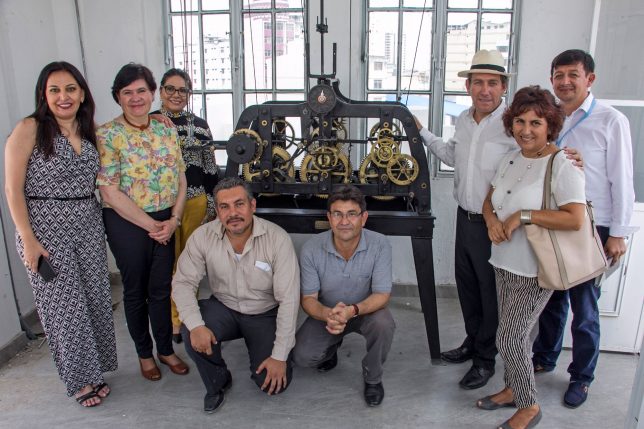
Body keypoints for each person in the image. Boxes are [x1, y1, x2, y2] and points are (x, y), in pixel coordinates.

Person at [4, 61, 117, 407]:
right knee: (64, 308)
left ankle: (94, 371)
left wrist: (159, 118)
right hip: (45, 229)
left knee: (94, 299)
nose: (63, 96)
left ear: (82, 94)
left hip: (87, 224)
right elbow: (12, 189)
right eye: (54, 90)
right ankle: (80, 381)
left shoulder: (88, 128)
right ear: (44, 94)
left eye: (70, 89)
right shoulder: (30, 128)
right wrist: (28, 239)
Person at [531, 49, 635, 408]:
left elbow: (623, 180)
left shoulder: (611, 120)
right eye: (559, 75)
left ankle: (581, 377)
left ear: (589, 79)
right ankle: (545, 356)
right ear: (551, 79)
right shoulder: (550, 118)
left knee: (585, 309)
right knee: (551, 299)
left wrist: (618, 233)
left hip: (594, 227)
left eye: (573, 75)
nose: (565, 82)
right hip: (554, 220)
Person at [479, 85, 587, 429]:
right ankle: (513, 388)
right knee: (518, 336)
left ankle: (529, 406)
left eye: (536, 123)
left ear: (550, 126)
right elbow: (489, 199)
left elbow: (575, 218)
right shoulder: (511, 158)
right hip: (503, 261)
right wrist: (491, 220)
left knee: (508, 338)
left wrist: (523, 216)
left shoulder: (562, 164)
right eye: (520, 121)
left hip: (535, 268)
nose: (526, 130)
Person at [415, 50, 517, 390]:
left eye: (492, 83)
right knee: (468, 287)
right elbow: (450, 155)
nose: (485, 90)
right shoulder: (463, 119)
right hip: (466, 217)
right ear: (468, 86)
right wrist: (421, 132)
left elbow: (534, 160)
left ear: (503, 87)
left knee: (491, 293)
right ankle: (472, 342)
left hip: (497, 224)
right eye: (478, 83)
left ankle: (485, 360)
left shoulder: (514, 123)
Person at [172, 177, 300, 414]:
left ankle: (274, 354)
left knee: (272, 385)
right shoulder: (202, 236)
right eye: (224, 206)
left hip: (264, 313)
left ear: (252, 205)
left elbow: (289, 300)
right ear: (217, 210)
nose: (233, 213)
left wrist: (280, 356)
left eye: (239, 204)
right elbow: (183, 283)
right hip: (224, 308)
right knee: (191, 330)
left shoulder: (277, 239)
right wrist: (197, 325)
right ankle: (218, 381)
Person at [97, 63, 189, 382]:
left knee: (161, 289)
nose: (135, 98)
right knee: (136, 291)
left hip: (166, 219)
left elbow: (180, 177)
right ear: (118, 97)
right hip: (127, 222)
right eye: (127, 92)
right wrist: (153, 226)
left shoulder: (166, 129)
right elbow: (109, 191)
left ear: (152, 94)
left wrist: (174, 219)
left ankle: (165, 349)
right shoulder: (107, 135)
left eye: (141, 91)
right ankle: (144, 354)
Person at [292, 185, 395, 407]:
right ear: (329, 218)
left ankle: (373, 377)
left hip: (365, 311)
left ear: (363, 218)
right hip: (328, 314)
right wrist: (329, 315)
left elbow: (382, 294)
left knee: (384, 324)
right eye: (337, 214)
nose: (344, 221)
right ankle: (331, 349)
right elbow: (308, 299)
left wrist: (352, 311)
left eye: (352, 214)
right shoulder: (311, 249)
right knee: (302, 357)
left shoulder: (380, 244)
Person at [152, 68, 220, 344]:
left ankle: (186, 319)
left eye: (182, 90)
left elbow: (210, 167)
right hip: (161, 206)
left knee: (189, 265)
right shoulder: (149, 123)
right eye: (170, 89)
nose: (176, 95)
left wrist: (213, 202)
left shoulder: (200, 125)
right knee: (165, 264)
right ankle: (172, 320)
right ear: (161, 91)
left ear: (189, 94)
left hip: (195, 202)